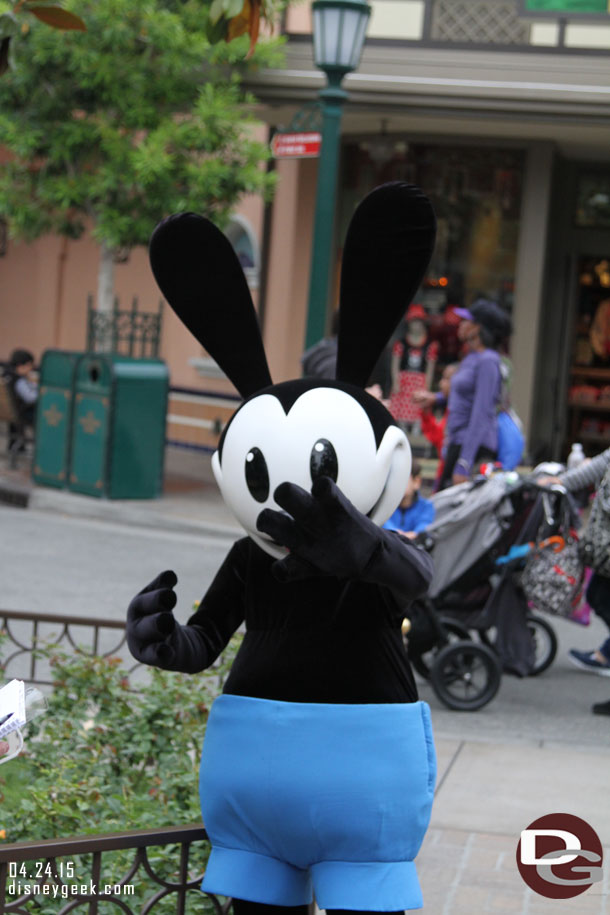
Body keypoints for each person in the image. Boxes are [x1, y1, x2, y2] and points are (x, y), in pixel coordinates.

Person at [413, 299, 511, 489]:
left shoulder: (488, 361)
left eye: (467, 320)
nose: (461, 324)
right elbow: (465, 394)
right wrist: (435, 398)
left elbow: (482, 412)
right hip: (458, 442)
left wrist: (465, 463)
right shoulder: (472, 356)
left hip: (472, 448)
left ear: (478, 328)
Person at [383, 460, 435, 537]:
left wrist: (414, 535)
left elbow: (424, 526)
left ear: (416, 482)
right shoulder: (384, 505)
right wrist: (397, 533)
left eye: (402, 479)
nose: (396, 484)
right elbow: (382, 522)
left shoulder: (426, 506)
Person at [3, 348, 38, 452]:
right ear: (24, 365)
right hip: (23, 414)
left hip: (13, 413)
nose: (31, 369)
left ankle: (16, 445)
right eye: (30, 365)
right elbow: (30, 398)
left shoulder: (8, 377)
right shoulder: (19, 381)